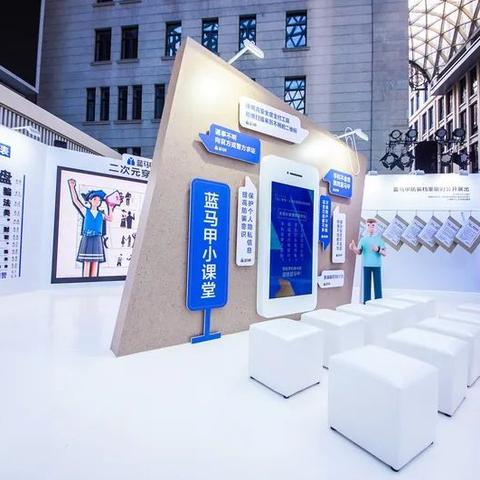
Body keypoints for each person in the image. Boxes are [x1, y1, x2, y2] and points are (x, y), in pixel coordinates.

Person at [67, 179, 114, 278]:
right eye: (95, 199)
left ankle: (93, 281)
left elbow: (110, 218)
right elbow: (75, 200)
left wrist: (110, 206)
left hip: (97, 239)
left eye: (99, 200)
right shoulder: (85, 211)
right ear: (90, 200)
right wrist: (72, 187)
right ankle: (85, 282)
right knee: (87, 262)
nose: (97, 201)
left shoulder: (101, 214)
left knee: (95, 263)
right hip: (87, 238)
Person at [349, 218, 387, 303]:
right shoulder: (363, 240)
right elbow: (359, 252)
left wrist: (378, 249)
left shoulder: (379, 239)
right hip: (366, 265)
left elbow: (385, 253)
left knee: (378, 286)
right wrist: (353, 248)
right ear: (366, 227)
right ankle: (366, 304)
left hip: (377, 265)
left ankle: (379, 303)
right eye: (368, 225)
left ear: (376, 227)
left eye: (373, 225)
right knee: (366, 286)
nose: (371, 227)